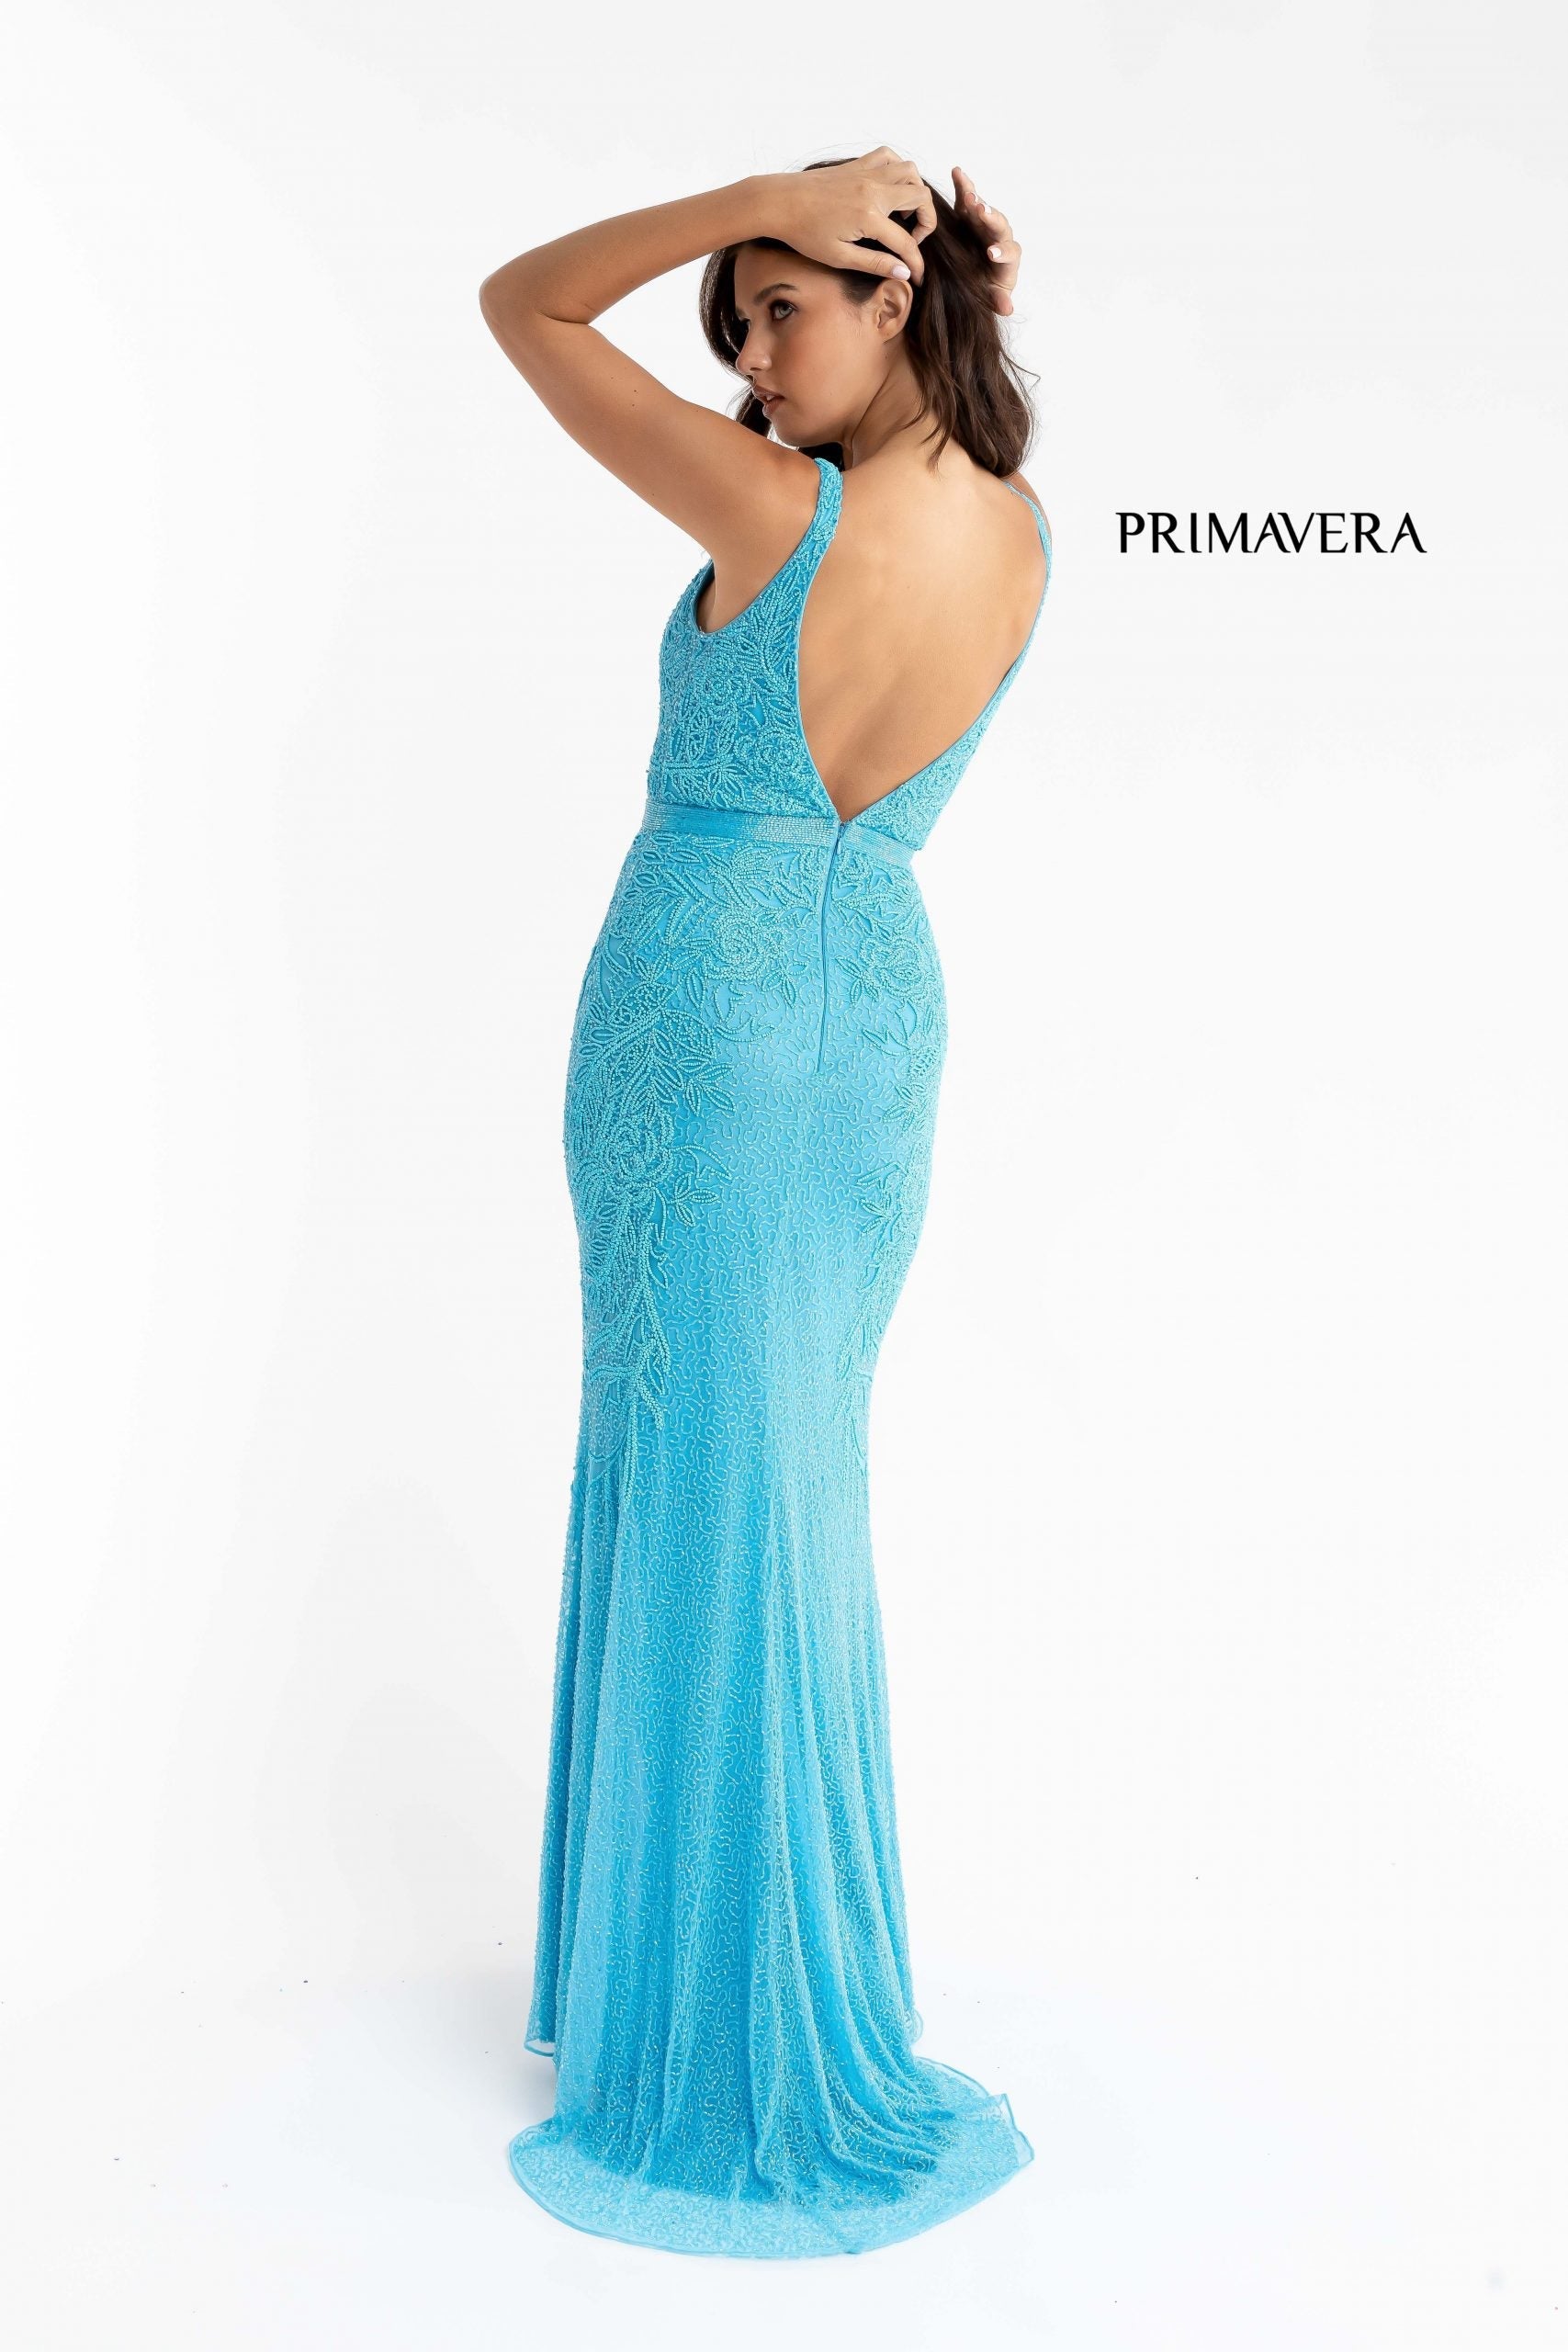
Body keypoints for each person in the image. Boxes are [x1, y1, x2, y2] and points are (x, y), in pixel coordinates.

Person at [479, 148, 1052, 2258]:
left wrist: (750, 186)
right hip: (872, 1025)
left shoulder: (769, 515)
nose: (745, 358)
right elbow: (934, 409)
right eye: (731, 323)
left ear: (887, 295)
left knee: (698, 1474)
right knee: (783, 1482)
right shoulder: (1013, 529)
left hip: (705, 1020)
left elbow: (521, 304)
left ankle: (710, 2023)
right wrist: (899, 265)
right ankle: (741, 1948)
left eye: (776, 306)